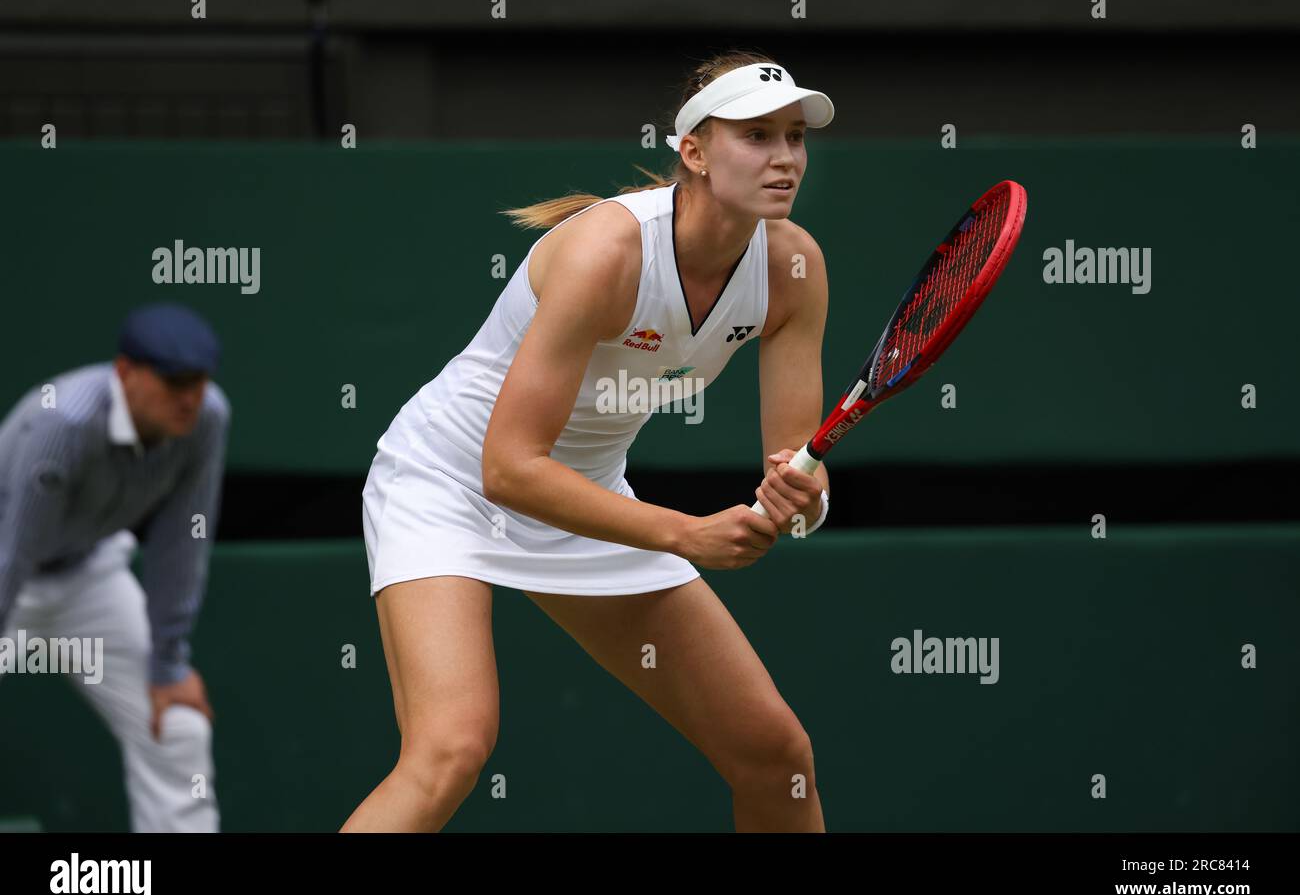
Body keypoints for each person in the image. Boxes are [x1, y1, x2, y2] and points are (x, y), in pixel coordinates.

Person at [346, 50, 834, 832]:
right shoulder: (606, 252)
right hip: (448, 482)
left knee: (775, 753)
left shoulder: (794, 268)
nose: (783, 158)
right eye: (755, 136)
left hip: (584, 492)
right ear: (695, 152)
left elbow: (795, 476)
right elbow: (507, 469)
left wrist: (804, 499)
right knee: (450, 749)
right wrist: (687, 532)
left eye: (793, 137)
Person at [0, 302, 230, 832]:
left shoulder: (207, 417)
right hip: (10, 574)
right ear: (126, 372)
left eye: (199, 381)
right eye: (175, 382)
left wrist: (168, 661)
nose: (190, 398)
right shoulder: (64, 422)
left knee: (176, 724)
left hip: (90, 575)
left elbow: (183, 537)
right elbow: (13, 552)